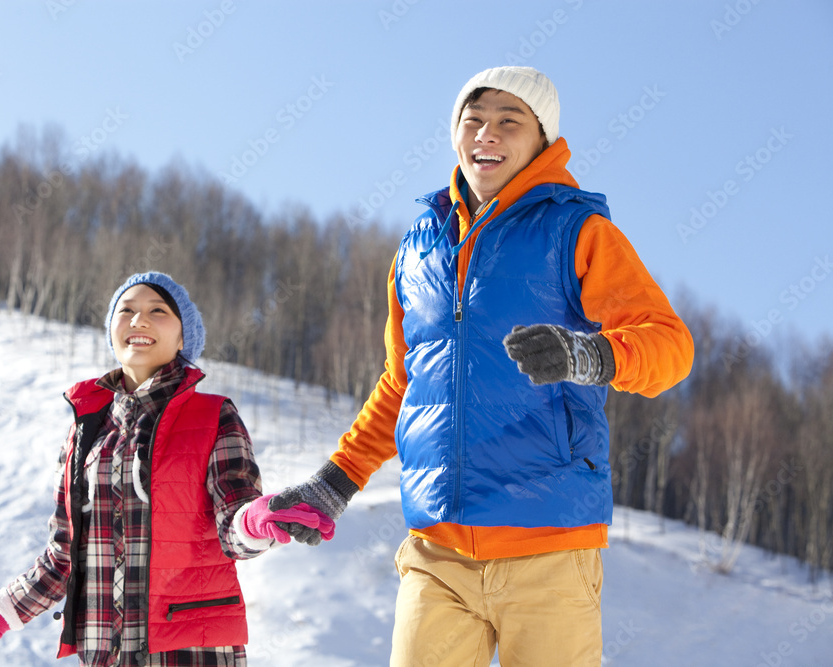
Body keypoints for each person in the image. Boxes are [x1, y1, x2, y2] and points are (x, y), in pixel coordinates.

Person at [271, 66, 695, 666]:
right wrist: (336, 481)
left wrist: (589, 354)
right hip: (437, 552)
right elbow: (403, 383)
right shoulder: (418, 249)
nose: (486, 135)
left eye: (508, 122)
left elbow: (670, 346)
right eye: (473, 121)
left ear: (542, 139)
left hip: (548, 543)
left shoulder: (576, 231)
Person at [0, 271, 333, 667]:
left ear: (182, 337)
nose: (139, 319)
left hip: (191, 653)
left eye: (158, 311)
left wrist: (260, 520)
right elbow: (63, 558)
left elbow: (234, 529)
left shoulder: (213, 416)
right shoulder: (84, 434)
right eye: (126, 310)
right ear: (112, 331)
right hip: (103, 651)